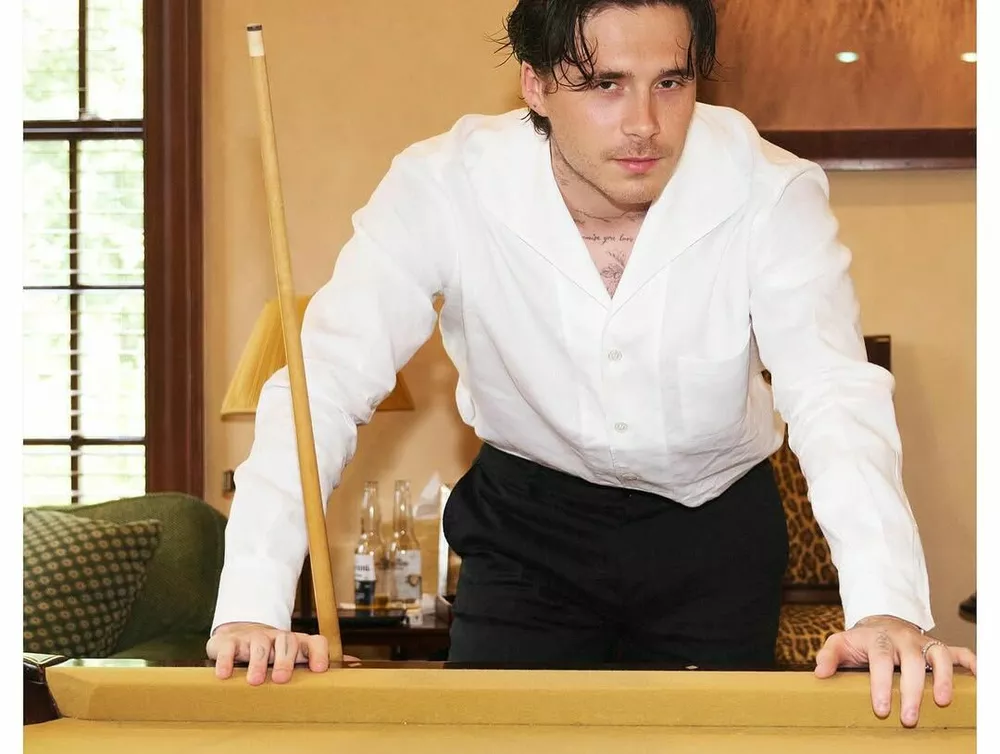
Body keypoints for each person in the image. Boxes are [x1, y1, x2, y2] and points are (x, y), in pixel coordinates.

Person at [207, 0, 976, 727]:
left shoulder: (768, 190)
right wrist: (252, 603)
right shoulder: (442, 185)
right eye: (605, 84)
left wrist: (885, 608)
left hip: (712, 531)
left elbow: (831, 391)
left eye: (670, 82)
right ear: (535, 83)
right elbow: (325, 381)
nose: (644, 124)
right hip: (527, 529)